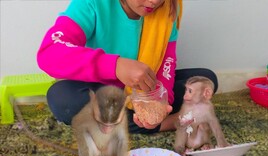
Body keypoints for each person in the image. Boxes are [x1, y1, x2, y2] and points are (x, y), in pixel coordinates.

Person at [37, 0, 218, 134]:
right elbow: (49, 52)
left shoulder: (167, 8)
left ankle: (144, 121)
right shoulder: (91, 3)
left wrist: (160, 102)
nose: (154, 2)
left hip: (143, 88)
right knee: (61, 96)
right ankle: (165, 124)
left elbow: (166, 63)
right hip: (101, 91)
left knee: (206, 79)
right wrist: (115, 65)